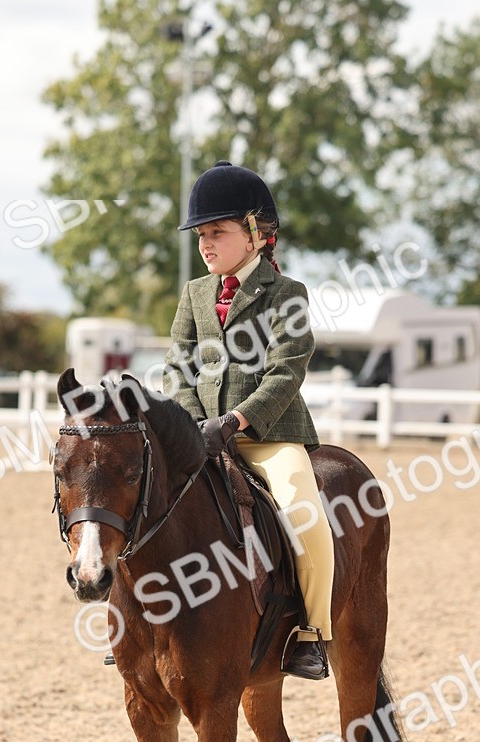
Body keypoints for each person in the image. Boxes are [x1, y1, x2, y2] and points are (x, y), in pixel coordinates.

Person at [163, 160, 335, 681]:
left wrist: (235, 421)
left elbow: (286, 372)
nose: (205, 244)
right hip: (199, 435)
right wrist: (193, 423)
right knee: (144, 504)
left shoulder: (287, 294)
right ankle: (141, 626)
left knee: (304, 512)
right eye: (201, 235)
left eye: (217, 232)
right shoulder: (195, 293)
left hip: (268, 436)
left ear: (256, 233)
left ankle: (312, 632)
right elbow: (178, 367)